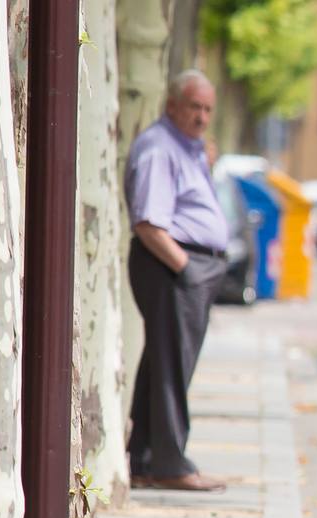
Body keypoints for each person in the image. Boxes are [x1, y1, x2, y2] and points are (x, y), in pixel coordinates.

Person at [124, 69, 231, 492]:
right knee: (171, 365)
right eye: (194, 107)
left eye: (208, 109)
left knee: (163, 362)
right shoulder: (159, 147)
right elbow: (149, 222)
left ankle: (148, 458)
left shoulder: (187, 148)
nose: (202, 117)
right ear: (172, 105)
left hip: (186, 268)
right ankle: (170, 463)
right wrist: (185, 269)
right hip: (168, 266)